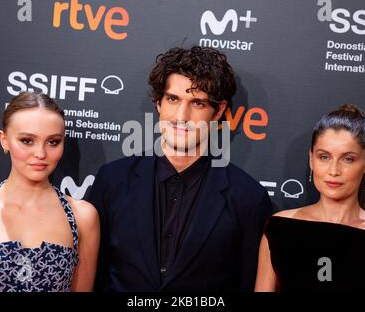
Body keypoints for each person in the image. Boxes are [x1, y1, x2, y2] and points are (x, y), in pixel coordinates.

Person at [87, 46, 273, 292]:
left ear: (217, 111)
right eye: (173, 99)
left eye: (197, 103)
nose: (181, 116)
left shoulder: (247, 198)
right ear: (158, 103)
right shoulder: (112, 180)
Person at [0, 92, 100, 292]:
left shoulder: (82, 216)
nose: (40, 154)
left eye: (53, 142)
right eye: (27, 141)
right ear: (4, 140)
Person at [255, 104, 365, 292]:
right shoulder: (279, 229)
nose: (334, 171)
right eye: (324, 157)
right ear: (311, 159)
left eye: (348, 159)